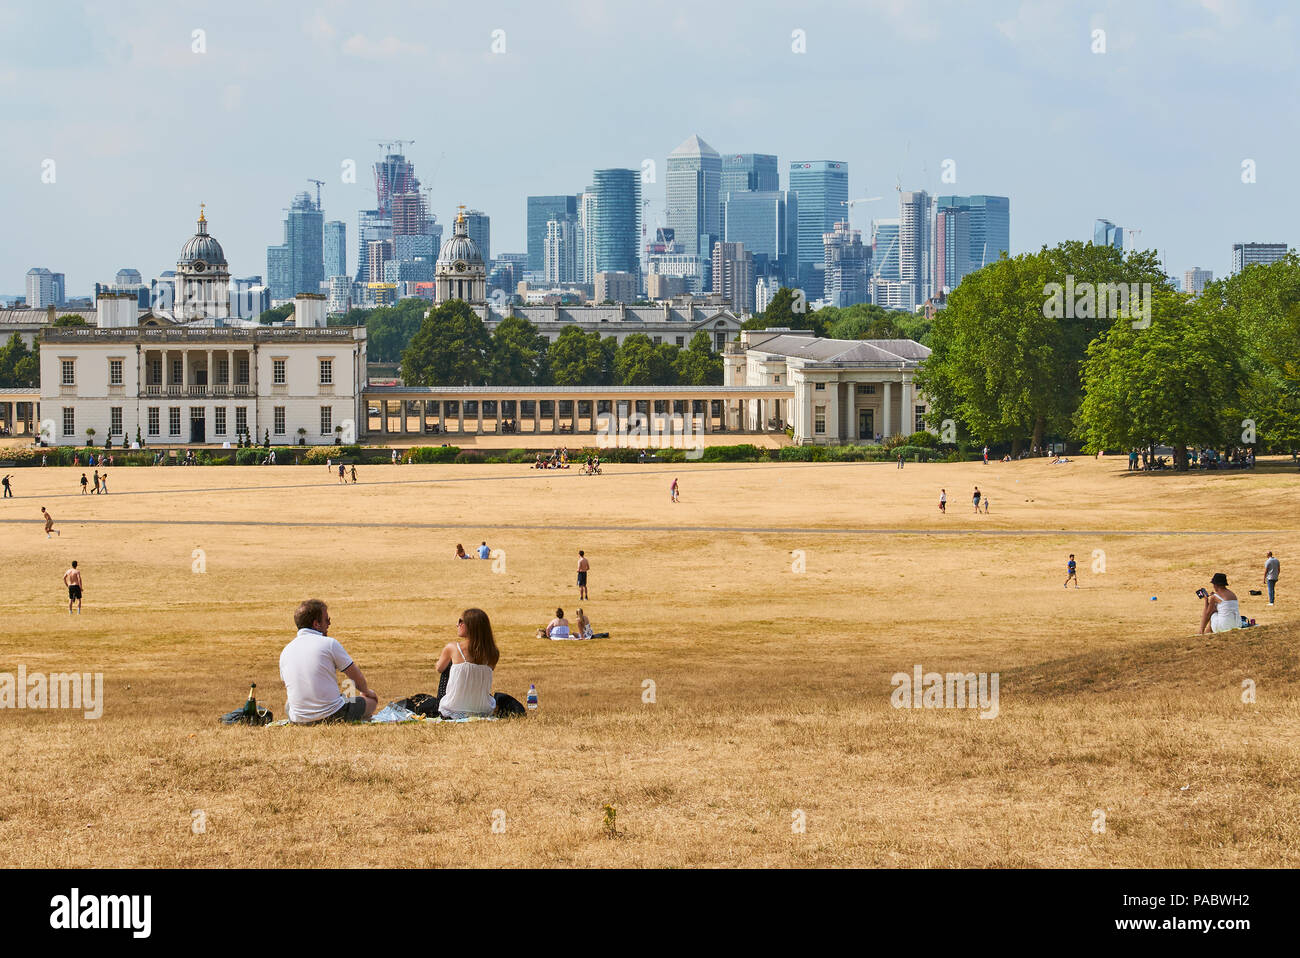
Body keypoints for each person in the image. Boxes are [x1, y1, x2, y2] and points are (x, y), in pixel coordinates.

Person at [279, 599, 378, 723]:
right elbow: (356, 678)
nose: (329, 624)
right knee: (371, 701)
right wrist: (367, 692)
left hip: (298, 719)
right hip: (333, 715)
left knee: (288, 704)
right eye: (327, 620)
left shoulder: (285, 651)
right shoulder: (329, 644)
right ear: (316, 624)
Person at [431, 609, 500, 719]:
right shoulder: (493, 653)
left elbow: (439, 668)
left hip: (452, 710)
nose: (457, 624)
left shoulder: (452, 648)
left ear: (470, 626)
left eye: (460, 621)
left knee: (448, 667)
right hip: (483, 710)